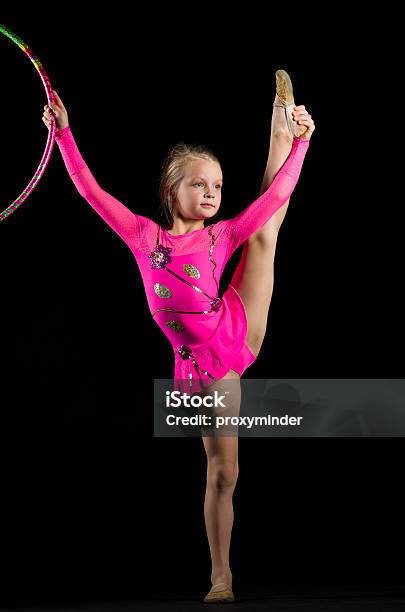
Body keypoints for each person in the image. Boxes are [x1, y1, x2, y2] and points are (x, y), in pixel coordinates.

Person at [43, 69, 315, 603]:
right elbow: (90, 191)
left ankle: (281, 127)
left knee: (264, 233)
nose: (212, 191)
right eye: (199, 183)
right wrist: (63, 133)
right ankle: (222, 574)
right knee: (224, 472)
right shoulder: (143, 235)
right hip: (199, 365)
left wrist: (302, 144)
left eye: (217, 184)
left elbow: (276, 194)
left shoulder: (221, 234)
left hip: (235, 328)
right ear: (173, 190)